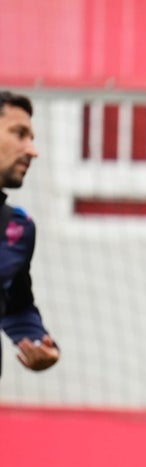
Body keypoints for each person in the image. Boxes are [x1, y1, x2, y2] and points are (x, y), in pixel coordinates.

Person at [0, 90, 57, 378]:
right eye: (19, 134)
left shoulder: (17, 229)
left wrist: (36, 341)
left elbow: (15, 305)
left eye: (31, 138)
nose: (32, 151)